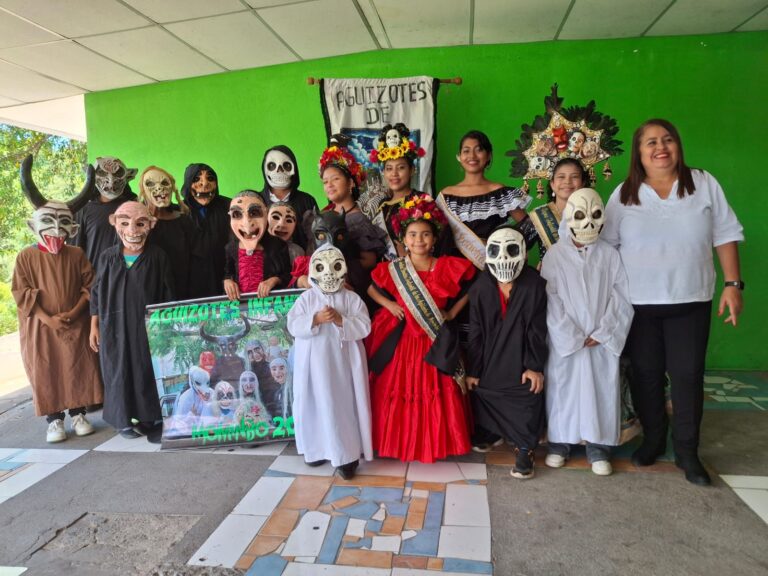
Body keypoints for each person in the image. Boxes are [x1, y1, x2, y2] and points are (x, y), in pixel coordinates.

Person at [602, 119, 744, 486]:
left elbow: (725, 233)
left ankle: (687, 451)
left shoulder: (703, 184)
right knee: (645, 377)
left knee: (687, 377)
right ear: (639, 153)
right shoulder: (624, 194)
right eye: (650, 142)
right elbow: (607, 249)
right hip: (639, 307)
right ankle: (653, 439)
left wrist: (733, 284)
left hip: (691, 301)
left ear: (678, 146)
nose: (660, 147)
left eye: (667, 140)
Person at [366, 195, 475, 463]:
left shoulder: (447, 266)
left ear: (435, 238)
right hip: (402, 339)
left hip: (434, 339)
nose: (419, 240)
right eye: (413, 235)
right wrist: (389, 304)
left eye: (425, 234)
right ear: (403, 239)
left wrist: (452, 312)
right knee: (398, 390)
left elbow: (473, 289)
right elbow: (369, 288)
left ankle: (435, 443)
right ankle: (400, 443)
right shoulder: (394, 269)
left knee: (437, 390)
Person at [540, 188, 634, 476]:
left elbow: (622, 295)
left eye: (594, 216)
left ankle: (598, 446)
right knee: (563, 389)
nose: (587, 224)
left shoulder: (610, 255)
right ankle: (560, 443)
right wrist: (569, 334)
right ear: (569, 218)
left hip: (600, 339)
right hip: (566, 340)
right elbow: (550, 298)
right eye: (580, 216)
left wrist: (605, 331)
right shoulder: (555, 255)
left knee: (600, 389)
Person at [13, 155, 102, 442]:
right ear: (33, 225)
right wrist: (46, 317)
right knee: (46, 367)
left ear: (72, 228)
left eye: (63, 223)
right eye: (48, 221)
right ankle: (54, 420)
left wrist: (76, 312)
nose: (55, 230)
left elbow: (90, 285)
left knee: (77, 365)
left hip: (74, 324)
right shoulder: (25, 257)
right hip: (40, 327)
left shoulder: (76, 254)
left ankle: (78, 412)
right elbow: (21, 292)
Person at [466, 226, 547, 479]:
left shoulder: (533, 285)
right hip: (491, 359)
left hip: (520, 360)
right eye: (496, 251)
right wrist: (474, 370)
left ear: (522, 253)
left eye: (510, 250)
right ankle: (493, 431)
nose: (503, 258)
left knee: (528, 390)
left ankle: (525, 447)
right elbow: (476, 330)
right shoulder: (481, 287)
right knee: (480, 389)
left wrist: (534, 366)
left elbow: (537, 329)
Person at [89, 201, 174, 440]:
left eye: (140, 223)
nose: (133, 231)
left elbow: (168, 292)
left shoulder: (158, 257)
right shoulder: (107, 257)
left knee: (144, 368)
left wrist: (165, 325)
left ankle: (149, 419)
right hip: (112, 326)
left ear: (151, 225)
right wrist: (93, 326)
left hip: (146, 327)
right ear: (114, 223)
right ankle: (123, 421)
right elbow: (96, 293)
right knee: (117, 371)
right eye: (124, 223)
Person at [288, 245, 373, 479]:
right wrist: (314, 319)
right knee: (312, 404)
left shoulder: (351, 299)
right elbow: (292, 324)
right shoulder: (306, 299)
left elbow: (364, 326)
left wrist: (340, 320)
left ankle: (346, 456)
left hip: (343, 367)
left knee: (341, 407)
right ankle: (315, 449)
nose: (328, 273)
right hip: (313, 367)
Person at [436, 130, 534, 271]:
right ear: (459, 156)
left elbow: (529, 226)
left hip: (490, 266)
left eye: (478, 150)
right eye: (466, 151)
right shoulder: (446, 196)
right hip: (454, 270)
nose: (472, 156)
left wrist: (502, 244)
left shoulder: (499, 192)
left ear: (488, 156)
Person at [360, 123, 427, 259]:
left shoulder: (422, 201)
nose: (394, 174)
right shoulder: (381, 205)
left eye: (401, 168)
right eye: (389, 169)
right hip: (386, 271)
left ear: (412, 170)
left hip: (416, 271)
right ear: (383, 172)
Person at [138, 166, 198, 300]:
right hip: (148, 292)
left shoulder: (184, 220)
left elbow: (195, 259)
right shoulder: (137, 223)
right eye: (150, 184)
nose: (159, 188)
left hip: (181, 290)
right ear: (143, 189)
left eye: (164, 183)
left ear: (172, 187)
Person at [71, 156, 138, 273]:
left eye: (117, 174)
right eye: (103, 173)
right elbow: (76, 250)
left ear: (127, 177)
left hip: (127, 279)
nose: (111, 180)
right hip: (94, 280)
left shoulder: (134, 208)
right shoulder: (84, 210)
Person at [222, 190, 291, 301]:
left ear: (266, 213)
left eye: (254, 213)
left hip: (270, 304)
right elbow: (228, 272)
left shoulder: (279, 245)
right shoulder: (230, 248)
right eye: (237, 214)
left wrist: (273, 280)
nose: (247, 223)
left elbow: (288, 275)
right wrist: (227, 281)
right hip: (242, 306)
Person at [181, 163, 230, 298]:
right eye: (197, 179)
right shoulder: (179, 212)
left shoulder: (228, 207)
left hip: (225, 279)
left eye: (210, 179)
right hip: (191, 283)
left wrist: (229, 275)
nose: (204, 184)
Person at [527, 158, 590, 263]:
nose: (567, 181)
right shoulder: (539, 216)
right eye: (561, 177)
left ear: (583, 183)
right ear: (552, 183)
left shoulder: (593, 214)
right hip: (550, 277)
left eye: (574, 177)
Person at [259, 145, 319, 250]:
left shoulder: (307, 201)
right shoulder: (257, 201)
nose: (279, 171)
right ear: (264, 169)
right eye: (272, 166)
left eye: (286, 166)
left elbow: (317, 235)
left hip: (302, 261)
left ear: (294, 169)